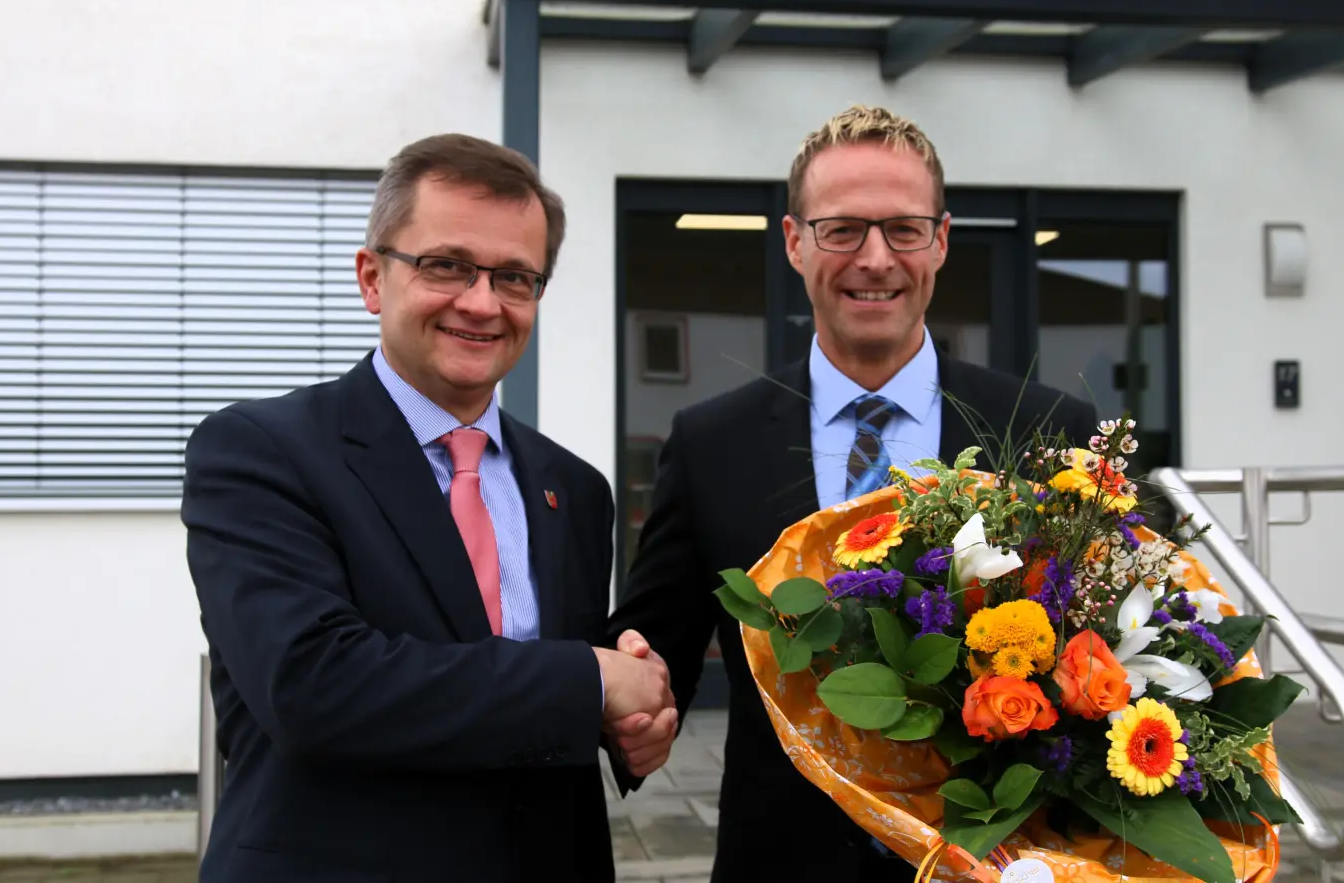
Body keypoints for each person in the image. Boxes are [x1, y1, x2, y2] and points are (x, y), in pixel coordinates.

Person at [606, 106, 1100, 883]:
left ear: (940, 240)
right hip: (782, 862)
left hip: (999, 864)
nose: (875, 259)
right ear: (795, 242)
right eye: (842, 230)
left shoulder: (1043, 432)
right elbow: (653, 647)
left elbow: (1109, 656)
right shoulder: (711, 444)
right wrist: (632, 703)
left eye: (903, 229)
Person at [183, 133, 678, 883]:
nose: (482, 303)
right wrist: (590, 682)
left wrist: (631, 724)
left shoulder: (572, 490)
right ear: (372, 277)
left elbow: (537, 693)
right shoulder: (259, 453)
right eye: (447, 265)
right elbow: (315, 687)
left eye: (515, 277)